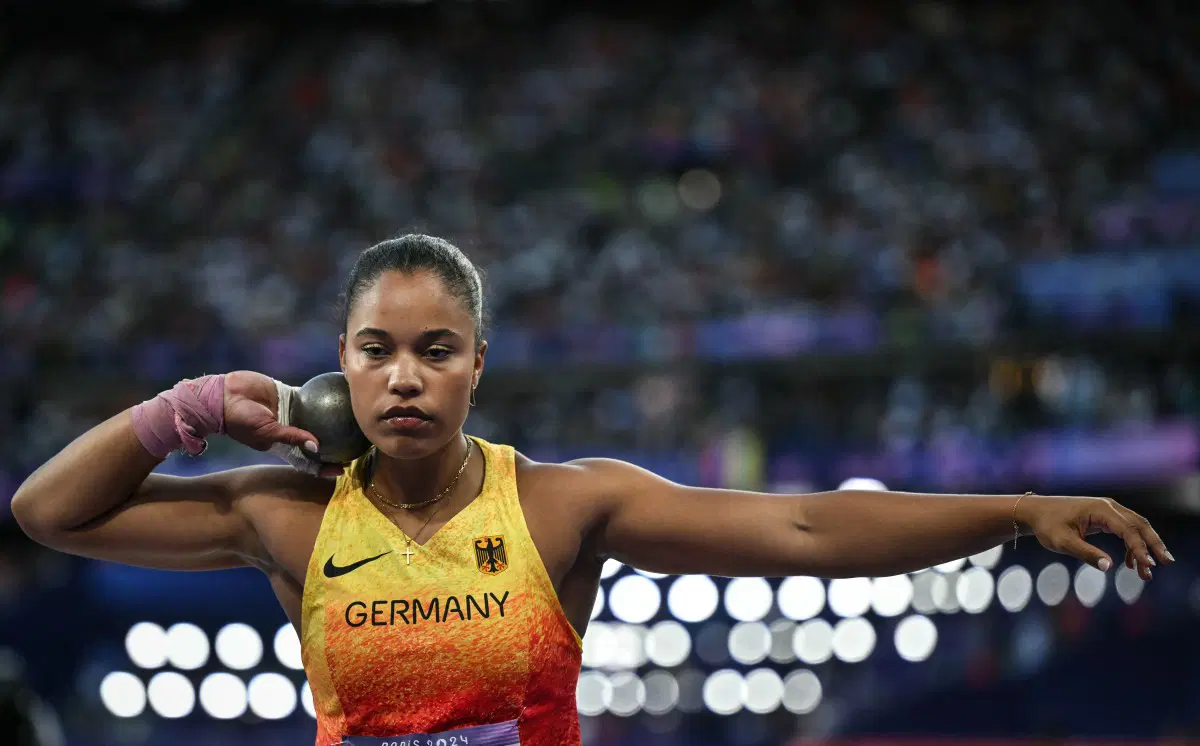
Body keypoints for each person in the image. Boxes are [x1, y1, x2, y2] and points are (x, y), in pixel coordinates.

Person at [11, 235, 1174, 746]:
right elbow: (48, 512)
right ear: (338, 365)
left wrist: (1016, 507)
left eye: (437, 348)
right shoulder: (282, 511)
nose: (404, 375)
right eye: (375, 349)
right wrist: (194, 406)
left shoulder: (564, 505)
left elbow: (807, 523)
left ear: (479, 366)